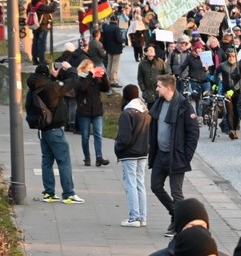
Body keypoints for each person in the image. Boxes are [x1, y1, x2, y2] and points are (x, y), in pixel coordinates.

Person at [148, 76, 200, 235]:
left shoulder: (184, 106)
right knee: (155, 186)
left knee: (176, 193)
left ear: (168, 88)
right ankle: (175, 214)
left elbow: (193, 134)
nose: (156, 89)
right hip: (160, 155)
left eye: (159, 86)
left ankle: (180, 226)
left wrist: (186, 157)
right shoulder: (159, 103)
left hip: (175, 156)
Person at [29, 61, 82, 203]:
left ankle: (49, 193)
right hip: (55, 130)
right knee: (63, 161)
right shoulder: (52, 88)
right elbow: (73, 82)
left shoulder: (33, 88)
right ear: (47, 74)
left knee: (46, 162)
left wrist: (53, 77)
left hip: (42, 130)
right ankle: (69, 193)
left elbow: (46, 89)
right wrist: (70, 68)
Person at [115, 84, 151, 227]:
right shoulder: (145, 111)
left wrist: (118, 148)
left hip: (129, 153)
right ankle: (142, 217)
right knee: (140, 184)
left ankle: (133, 217)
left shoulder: (127, 113)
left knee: (130, 184)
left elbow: (124, 138)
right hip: (142, 151)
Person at [73, 59, 111, 166]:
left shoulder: (96, 79)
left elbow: (106, 88)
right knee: (85, 136)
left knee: (98, 134)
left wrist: (103, 77)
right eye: (89, 68)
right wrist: (90, 76)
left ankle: (99, 157)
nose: (91, 70)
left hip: (96, 111)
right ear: (83, 68)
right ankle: (87, 157)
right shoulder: (80, 78)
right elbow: (81, 88)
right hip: (84, 111)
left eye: (92, 68)